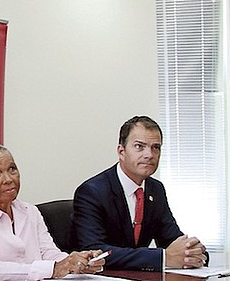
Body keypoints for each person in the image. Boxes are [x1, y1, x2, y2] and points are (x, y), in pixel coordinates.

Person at [0, 143, 105, 281]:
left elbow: (48, 253)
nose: (8, 179)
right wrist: (54, 269)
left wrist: (76, 263)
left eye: (12, 169)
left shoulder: (30, 211)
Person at [72, 115, 207, 271]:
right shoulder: (92, 191)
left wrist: (193, 252)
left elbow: (172, 239)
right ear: (121, 151)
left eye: (155, 147)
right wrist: (163, 258)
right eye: (139, 146)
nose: (149, 154)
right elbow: (95, 251)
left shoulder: (156, 189)